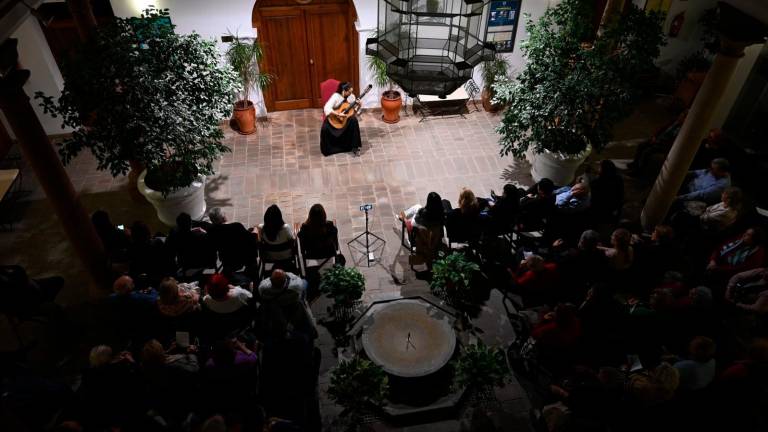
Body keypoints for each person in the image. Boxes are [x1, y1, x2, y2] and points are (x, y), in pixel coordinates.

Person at [206, 207, 258, 273]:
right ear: (223, 218)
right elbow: (251, 238)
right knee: (252, 243)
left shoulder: (211, 231)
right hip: (241, 257)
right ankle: (253, 273)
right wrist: (255, 230)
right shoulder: (236, 226)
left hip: (226, 259)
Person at [321, 81, 362, 157]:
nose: (350, 93)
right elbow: (326, 108)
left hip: (345, 119)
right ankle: (329, 149)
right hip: (335, 118)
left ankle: (354, 147)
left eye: (351, 92)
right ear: (343, 91)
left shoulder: (351, 97)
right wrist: (338, 114)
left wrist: (359, 106)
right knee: (325, 128)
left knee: (354, 120)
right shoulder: (336, 96)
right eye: (349, 92)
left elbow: (353, 112)